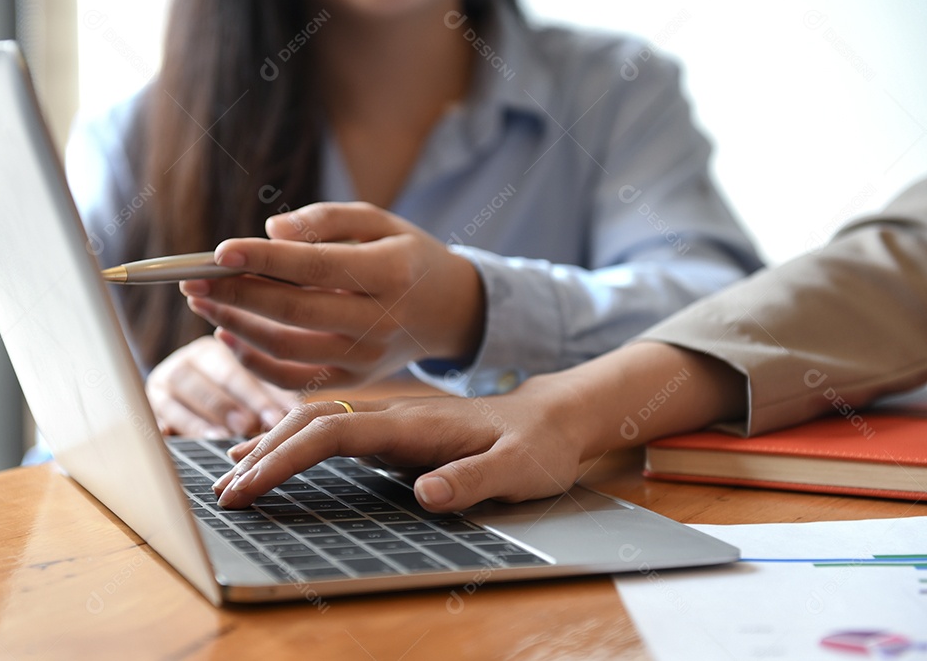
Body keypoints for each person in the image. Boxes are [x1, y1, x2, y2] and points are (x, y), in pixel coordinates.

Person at [67, 0, 761, 440]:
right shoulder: (131, 141)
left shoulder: (616, 91)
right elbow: (66, 445)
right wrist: (155, 408)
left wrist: (474, 310)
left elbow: (736, 322)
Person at [210, 177, 927, 511]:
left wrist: (480, 317)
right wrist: (208, 364)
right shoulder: (159, 115)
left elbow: (876, 275)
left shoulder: (618, 81)